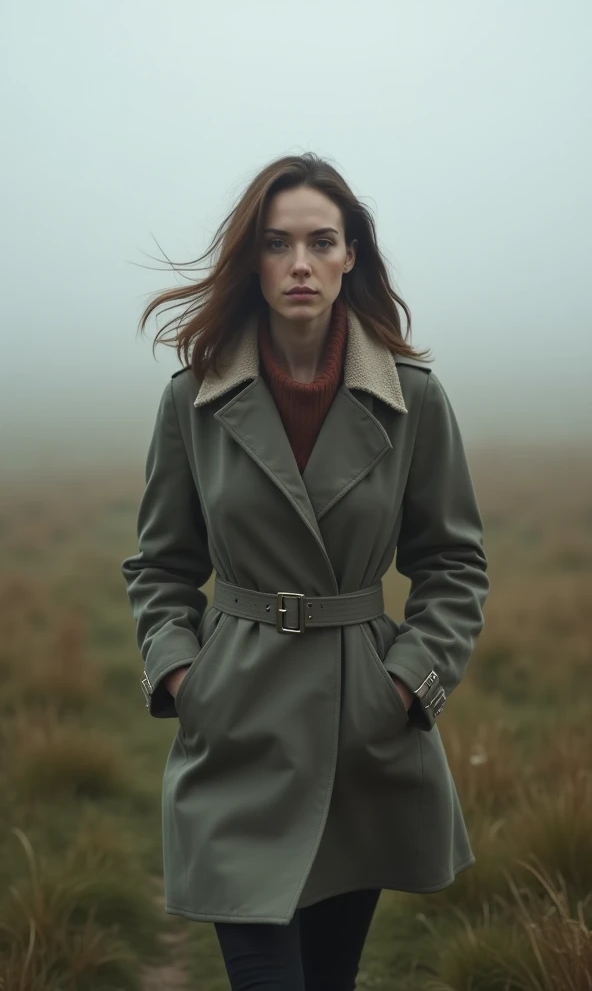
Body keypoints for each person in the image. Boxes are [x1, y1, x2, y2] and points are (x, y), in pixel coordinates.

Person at [121, 152, 489, 990]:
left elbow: (453, 563)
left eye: (321, 241)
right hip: (237, 722)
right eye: (278, 243)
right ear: (253, 259)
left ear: (350, 254)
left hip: (359, 727)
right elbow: (160, 563)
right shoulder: (193, 400)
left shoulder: (413, 398)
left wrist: (404, 686)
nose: (299, 264)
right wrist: (183, 675)